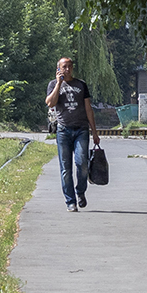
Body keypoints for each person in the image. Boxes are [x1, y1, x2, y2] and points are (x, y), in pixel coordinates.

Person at [45, 57, 100, 212]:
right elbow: (50, 103)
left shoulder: (81, 85)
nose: (67, 69)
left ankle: (80, 191)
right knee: (65, 168)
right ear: (58, 68)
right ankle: (70, 201)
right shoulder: (53, 84)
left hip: (81, 129)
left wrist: (94, 132)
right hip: (63, 130)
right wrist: (58, 83)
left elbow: (88, 109)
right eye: (64, 67)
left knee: (82, 163)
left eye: (69, 66)